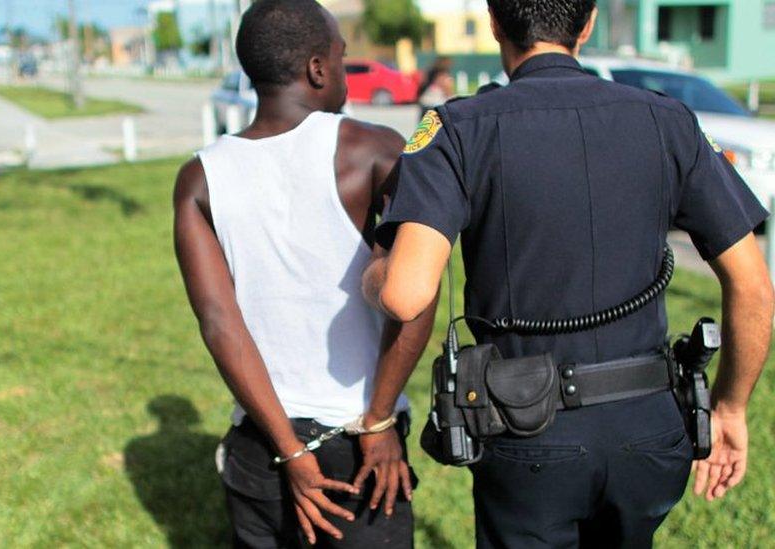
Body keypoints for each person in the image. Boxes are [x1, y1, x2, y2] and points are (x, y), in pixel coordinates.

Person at [362, 0, 774, 547]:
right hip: (649, 430)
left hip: (526, 432)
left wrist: (373, 268)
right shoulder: (667, 119)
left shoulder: (456, 127)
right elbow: (752, 284)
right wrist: (729, 407)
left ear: (493, 21)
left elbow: (405, 293)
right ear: (589, 23)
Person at [173, 1, 435, 546]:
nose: (342, 66)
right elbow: (418, 288)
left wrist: (290, 452)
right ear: (318, 68)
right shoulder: (372, 149)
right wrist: (381, 418)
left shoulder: (200, 177)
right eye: (341, 54)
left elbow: (220, 323)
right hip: (363, 449)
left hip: (258, 446)